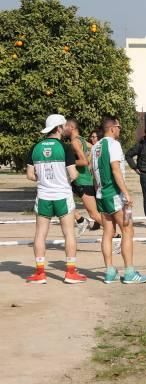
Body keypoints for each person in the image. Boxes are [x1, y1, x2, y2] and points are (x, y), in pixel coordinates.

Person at [25, 114, 87, 284]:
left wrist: (44, 178)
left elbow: (30, 175)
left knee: (40, 234)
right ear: (59, 128)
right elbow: (73, 174)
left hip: (43, 196)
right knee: (68, 233)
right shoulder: (65, 148)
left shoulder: (35, 148)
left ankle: (39, 273)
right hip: (62, 195)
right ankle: (70, 273)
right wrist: (65, 177)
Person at [92, 115, 146, 283]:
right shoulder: (114, 144)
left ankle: (109, 271)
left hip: (101, 194)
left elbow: (93, 173)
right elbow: (116, 169)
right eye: (118, 127)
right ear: (111, 128)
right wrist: (126, 193)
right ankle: (130, 272)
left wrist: (99, 191)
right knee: (127, 230)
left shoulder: (96, 147)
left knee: (108, 232)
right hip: (114, 194)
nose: (120, 130)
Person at [63, 118, 103, 235]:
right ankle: (80, 220)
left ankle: (116, 236)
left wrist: (68, 163)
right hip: (77, 180)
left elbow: (84, 161)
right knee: (62, 201)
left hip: (83, 181)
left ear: (71, 127)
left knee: (94, 214)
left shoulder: (75, 142)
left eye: (65, 127)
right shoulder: (82, 140)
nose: (63, 129)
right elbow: (93, 148)